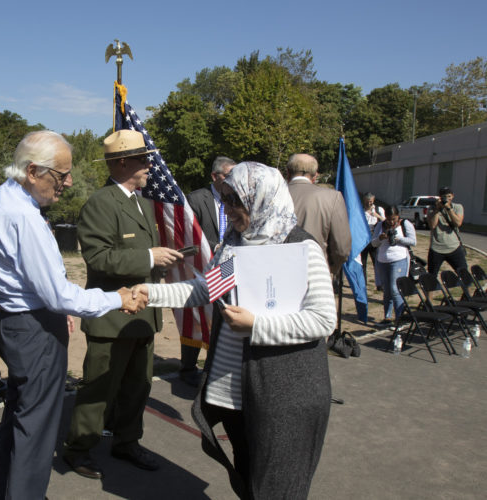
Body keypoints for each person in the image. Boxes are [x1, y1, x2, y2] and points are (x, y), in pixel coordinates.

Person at [133, 162, 336, 498]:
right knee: (249, 479)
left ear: (261, 198)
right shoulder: (235, 243)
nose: (226, 209)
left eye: (234, 200)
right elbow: (205, 290)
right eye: (224, 198)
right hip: (235, 393)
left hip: (284, 393)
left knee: (277, 487)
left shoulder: (301, 247)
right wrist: (150, 293)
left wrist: (257, 325)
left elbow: (323, 320)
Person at [0, 130, 144, 500]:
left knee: (18, 422)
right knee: (35, 433)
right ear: (33, 171)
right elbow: (59, 294)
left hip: (15, 320)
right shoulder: (25, 217)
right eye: (61, 174)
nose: (68, 182)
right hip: (34, 329)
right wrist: (116, 299)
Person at [63, 129, 182, 480]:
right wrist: (148, 256)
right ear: (123, 162)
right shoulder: (101, 203)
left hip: (143, 314)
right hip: (112, 316)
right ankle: (78, 448)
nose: (151, 165)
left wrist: (161, 259)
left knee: (137, 386)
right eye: (145, 159)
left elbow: (141, 257)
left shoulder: (141, 202)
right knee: (100, 388)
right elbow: (99, 259)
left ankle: (127, 441)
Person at [181, 155, 237, 386]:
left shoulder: (237, 198)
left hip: (229, 269)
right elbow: (186, 237)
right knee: (195, 317)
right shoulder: (195, 199)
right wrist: (214, 246)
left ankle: (214, 366)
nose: (233, 180)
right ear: (215, 177)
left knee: (222, 316)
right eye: (228, 176)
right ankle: (187, 368)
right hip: (200, 269)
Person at [286, 153, 351, 276]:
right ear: (315, 176)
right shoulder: (332, 198)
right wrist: (330, 269)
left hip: (278, 274)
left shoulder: (271, 196)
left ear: (288, 172)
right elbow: (341, 249)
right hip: (317, 273)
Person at [371, 206, 416, 324]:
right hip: (382, 260)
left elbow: (413, 241)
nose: (391, 222)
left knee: (395, 289)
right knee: (387, 290)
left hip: (399, 259)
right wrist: (380, 238)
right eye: (389, 219)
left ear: (398, 216)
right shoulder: (380, 226)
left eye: (394, 219)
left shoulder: (405, 224)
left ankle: (400, 318)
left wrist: (398, 238)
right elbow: (373, 243)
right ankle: (387, 316)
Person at [426, 186, 466, 277]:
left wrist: (448, 208)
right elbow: (432, 225)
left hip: (454, 247)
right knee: (431, 278)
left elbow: (458, 223)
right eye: (444, 197)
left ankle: (466, 292)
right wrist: (437, 209)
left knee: (464, 275)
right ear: (439, 197)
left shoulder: (457, 207)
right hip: (436, 248)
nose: (446, 199)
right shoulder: (432, 208)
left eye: (449, 196)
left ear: (452, 196)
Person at [361, 192, 385, 289]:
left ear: (373, 200)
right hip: (364, 239)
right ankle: (363, 283)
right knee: (363, 262)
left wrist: (376, 215)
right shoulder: (361, 210)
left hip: (375, 238)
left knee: (377, 262)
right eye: (367, 202)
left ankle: (379, 284)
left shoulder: (379, 210)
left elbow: (385, 221)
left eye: (370, 202)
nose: (368, 204)